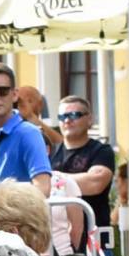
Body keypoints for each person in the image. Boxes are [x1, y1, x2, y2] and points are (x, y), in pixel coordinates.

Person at [0, 63, 53, 197]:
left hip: (11, 216)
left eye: (3, 91)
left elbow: (43, 187)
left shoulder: (29, 134)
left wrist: (10, 207)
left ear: (14, 95)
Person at [51, 95, 114, 231]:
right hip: (56, 242)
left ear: (89, 119)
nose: (67, 120)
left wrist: (52, 178)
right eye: (62, 117)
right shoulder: (50, 152)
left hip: (94, 241)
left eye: (74, 115)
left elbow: (95, 183)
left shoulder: (101, 150)